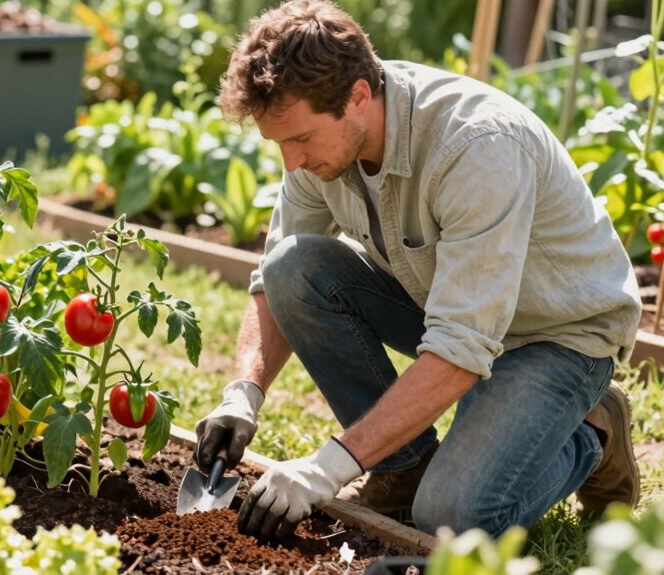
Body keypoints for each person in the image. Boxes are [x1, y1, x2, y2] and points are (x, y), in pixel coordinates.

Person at [194, 0, 642, 539]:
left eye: (301, 139)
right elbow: (273, 278)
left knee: (454, 519)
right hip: (449, 305)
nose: (291, 162)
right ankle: (402, 468)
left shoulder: (478, 146)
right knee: (294, 267)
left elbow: (461, 345)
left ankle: (592, 434)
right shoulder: (322, 141)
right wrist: (244, 392)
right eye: (279, 142)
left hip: (558, 334)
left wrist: (328, 466)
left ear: (359, 97)